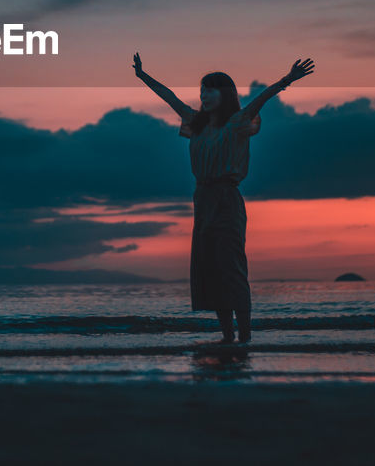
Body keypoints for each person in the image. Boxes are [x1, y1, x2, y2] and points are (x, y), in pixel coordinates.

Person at [133, 52, 314, 343]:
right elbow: (169, 98)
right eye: (202, 90)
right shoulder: (196, 121)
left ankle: (244, 336)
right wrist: (143, 76)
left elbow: (261, 100)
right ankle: (227, 335)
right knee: (210, 268)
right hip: (202, 200)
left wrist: (287, 80)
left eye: (211, 90)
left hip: (227, 199)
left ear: (225, 94)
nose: (204, 95)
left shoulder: (238, 122)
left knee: (231, 267)